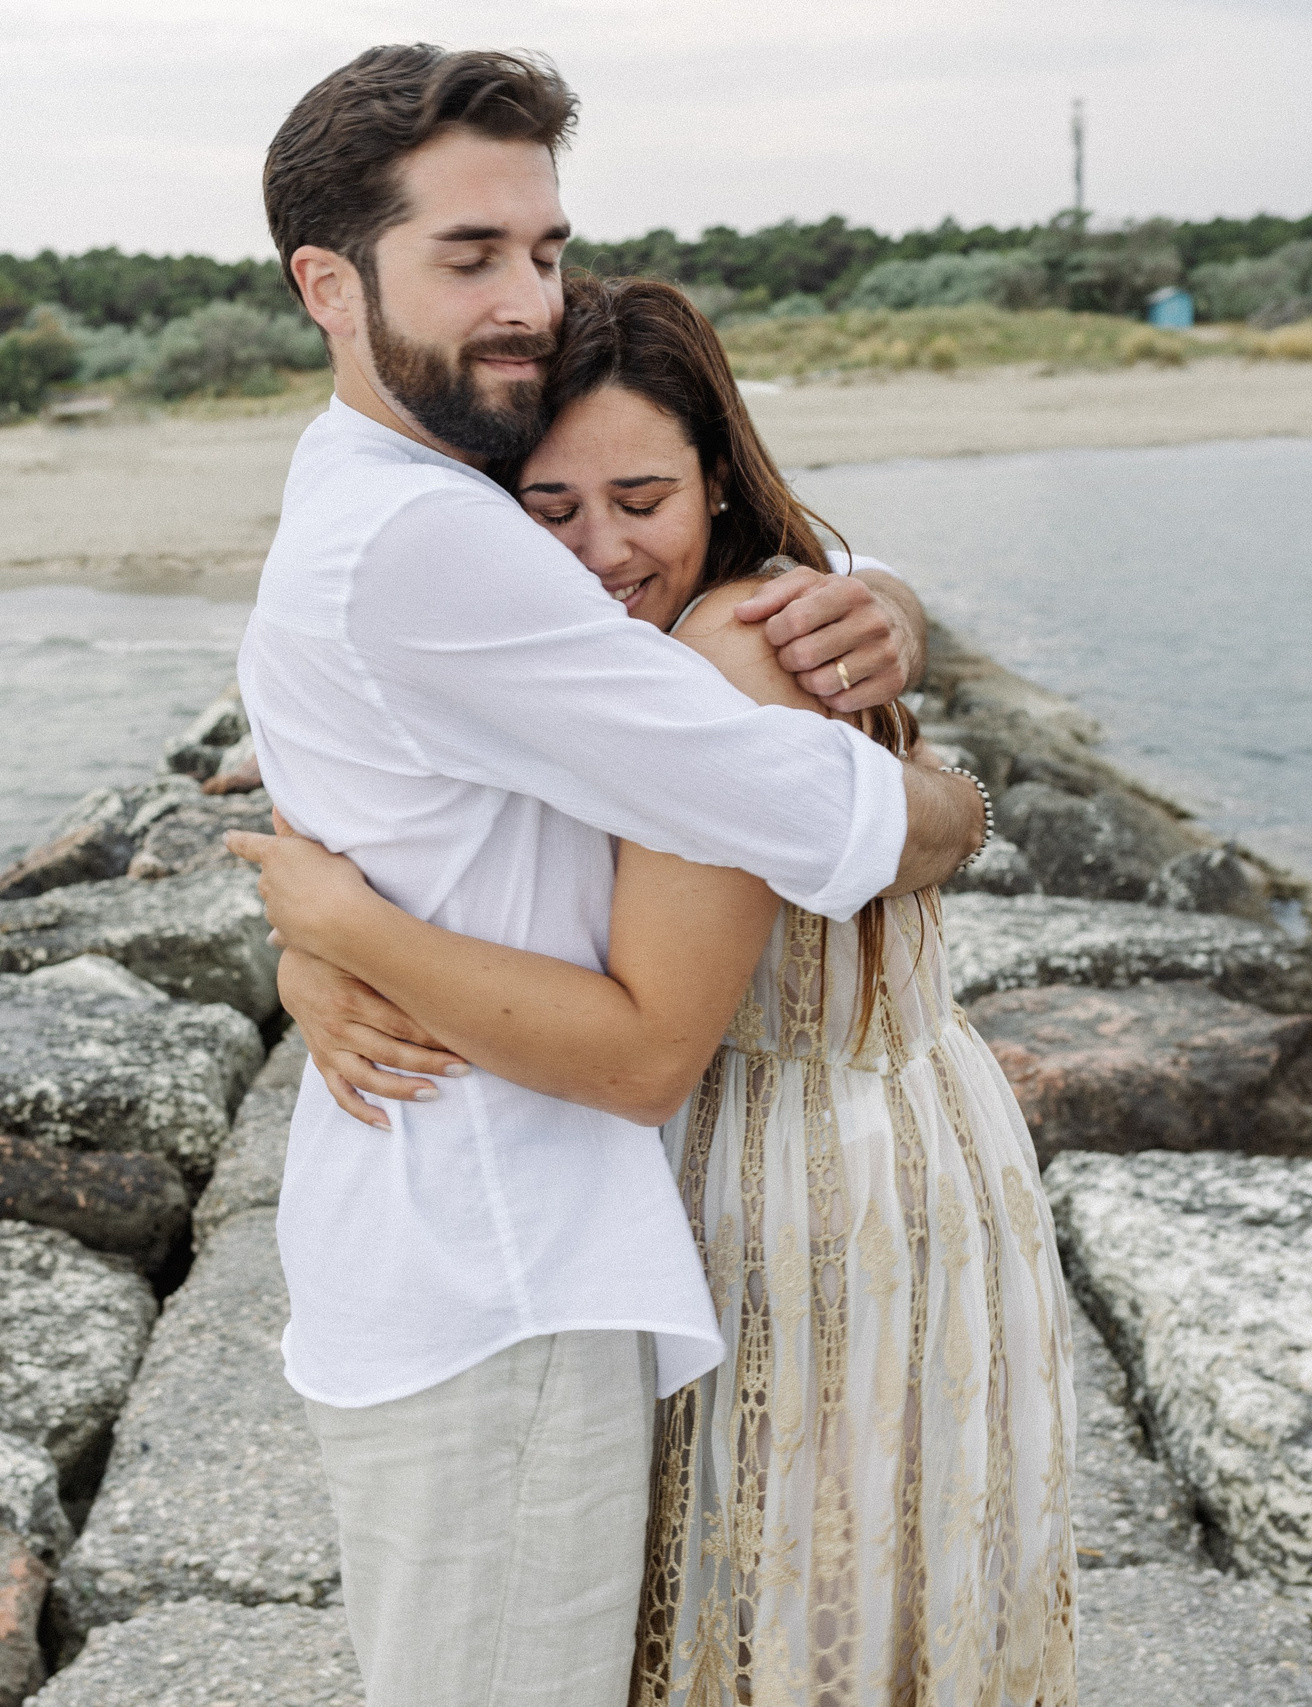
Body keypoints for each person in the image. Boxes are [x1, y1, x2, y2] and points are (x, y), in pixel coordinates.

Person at [240, 43, 990, 1707]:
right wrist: (954, 814)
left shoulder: (390, 485)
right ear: (327, 281)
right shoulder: (427, 535)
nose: (525, 297)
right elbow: (805, 806)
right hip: (496, 1264)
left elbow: (688, 589)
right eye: (470, 255)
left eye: (546, 249)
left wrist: (882, 596)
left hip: (464, 1246)